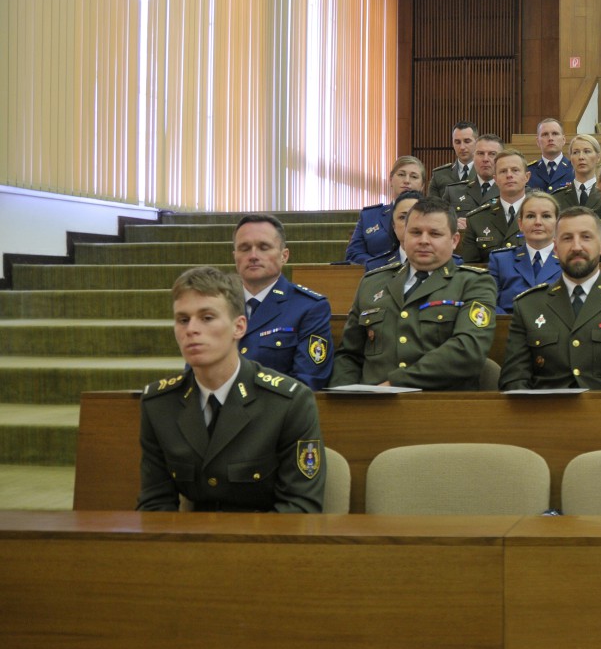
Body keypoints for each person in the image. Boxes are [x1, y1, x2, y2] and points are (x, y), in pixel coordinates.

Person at [137, 266, 326, 512]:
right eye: (183, 320)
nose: (191, 329)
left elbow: (300, 508)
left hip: (266, 532)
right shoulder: (159, 404)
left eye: (207, 318)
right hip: (191, 535)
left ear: (239, 327)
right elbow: (154, 504)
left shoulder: (288, 402)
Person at [331, 198, 497, 388]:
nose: (423, 240)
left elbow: (468, 350)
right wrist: (344, 395)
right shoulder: (372, 283)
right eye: (416, 232)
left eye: (435, 234)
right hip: (372, 401)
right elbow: (349, 355)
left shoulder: (474, 283)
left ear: (454, 241)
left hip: (440, 400)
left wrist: (396, 383)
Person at [499, 207, 601, 390]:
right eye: (567, 238)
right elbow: (514, 381)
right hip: (545, 408)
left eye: (586, 237)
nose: (576, 247)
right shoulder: (528, 306)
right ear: (555, 248)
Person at [232, 214, 333, 390]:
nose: (253, 255)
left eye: (264, 247)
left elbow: (306, 383)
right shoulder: (217, 304)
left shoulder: (309, 308)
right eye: (244, 248)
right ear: (235, 256)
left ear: (284, 256)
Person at [344, 155, 426, 265]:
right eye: (401, 175)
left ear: (422, 185)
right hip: (377, 273)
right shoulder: (369, 216)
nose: (407, 181)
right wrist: (383, 267)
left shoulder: (433, 215)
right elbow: (353, 254)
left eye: (414, 177)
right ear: (391, 180)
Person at [488, 191, 561, 312]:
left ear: (558, 224)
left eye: (546, 216)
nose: (538, 222)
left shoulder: (569, 260)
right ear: (520, 224)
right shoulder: (500, 260)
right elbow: (489, 304)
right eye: (530, 216)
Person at [461, 149, 529, 263]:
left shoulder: (541, 215)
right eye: (503, 171)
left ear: (527, 177)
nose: (509, 175)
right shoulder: (476, 220)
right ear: (495, 179)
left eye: (515, 170)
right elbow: (469, 267)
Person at [446, 133, 503, 226]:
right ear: (473, 157)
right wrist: (452, 225)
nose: (485, 159)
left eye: (492, 154)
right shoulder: (453, 192)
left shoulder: (513, 192)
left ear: (502, 159)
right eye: (480, 153)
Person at [364, 190, 422, 272]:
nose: (409, 223)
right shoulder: (375, 267)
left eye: (416, 216)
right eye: (403, 217)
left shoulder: (439, 264)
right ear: (393, 225)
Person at [428, 121, 479, 199]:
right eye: (457, 142)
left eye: (467, 141)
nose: (462, 147)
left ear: (477, 142)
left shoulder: (485, 173)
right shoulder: (439, 175)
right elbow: (432, 205)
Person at [554, 133, 601, 210]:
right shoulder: (557, 197)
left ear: (598, 157)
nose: (581, 157)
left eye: (587, 151)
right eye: (576, 152)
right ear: (570, 158)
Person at [527, 117, 573, 192]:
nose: (550, 138)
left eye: (555, 134)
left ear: (563, 140)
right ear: (538, 141)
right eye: (545, 134)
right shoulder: (528, 171)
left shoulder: (574, 169)